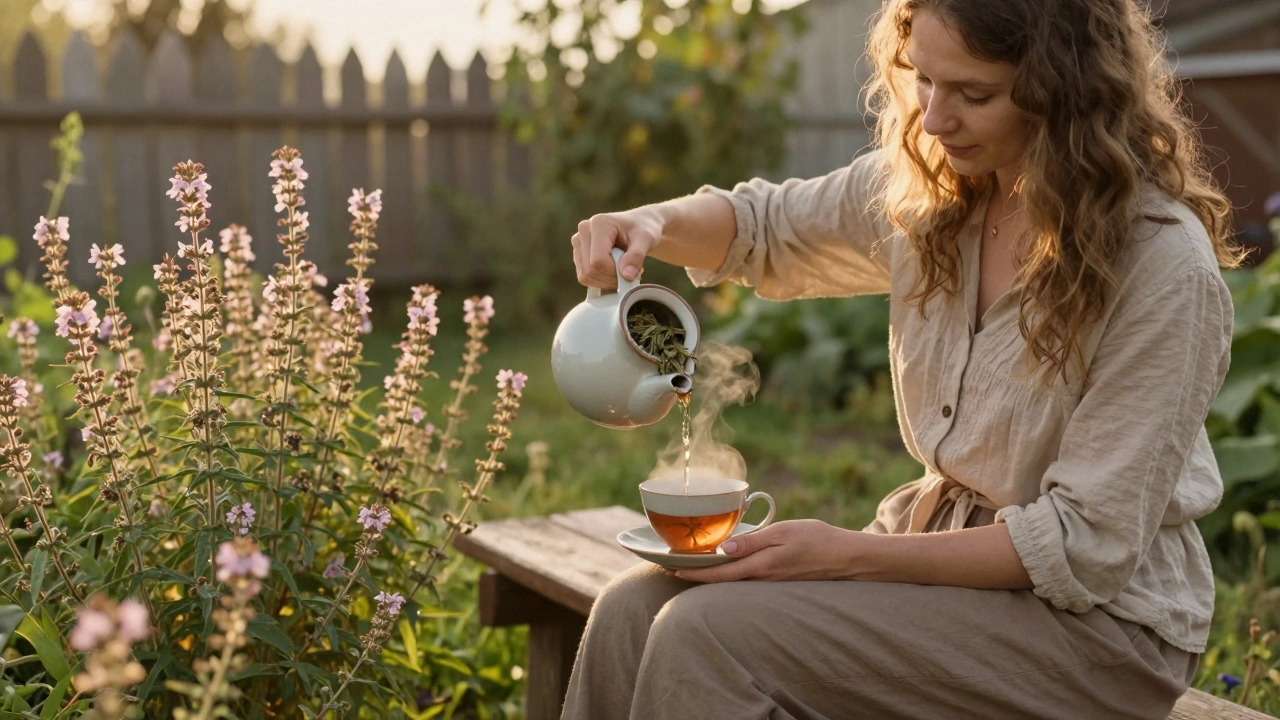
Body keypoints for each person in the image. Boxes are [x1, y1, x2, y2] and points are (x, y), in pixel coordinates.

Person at [561, 0, 1248, 718]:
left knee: (706, 634)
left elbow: (1082, 546)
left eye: (973, 94)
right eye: (924, 78)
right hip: (942, 572)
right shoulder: (938, 194)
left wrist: (844, 555)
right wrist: (648, 223)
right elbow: (765, 226)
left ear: (1063, 91)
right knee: (630, 610)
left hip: (1095, 630)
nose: (935, 118)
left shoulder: (1160, 264)